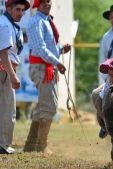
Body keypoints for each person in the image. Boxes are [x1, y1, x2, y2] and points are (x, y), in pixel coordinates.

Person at [23, 0, 71, 154]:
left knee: (43, 106)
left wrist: (61, 49)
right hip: (41, 67)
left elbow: (47, 47)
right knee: (49, 106)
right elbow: (40, 48)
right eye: (43, 2)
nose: (47, 4)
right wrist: (57, 62)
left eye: (49, 1)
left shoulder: (46, 20)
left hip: (45, 66)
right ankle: (41, 146)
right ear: (38, 4)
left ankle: (31, 145)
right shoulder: (36, 21)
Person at [0, 0, 30, 154]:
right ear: (8, 8)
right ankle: (3, 145)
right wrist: (12, 75)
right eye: (17, 9)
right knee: (8, 109)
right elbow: (3, 53)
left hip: (5, 68)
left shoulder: (7, 23)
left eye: (23, 10)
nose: (21, 13)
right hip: (4, 69)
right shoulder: (5, 24)